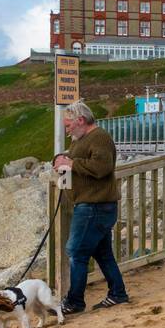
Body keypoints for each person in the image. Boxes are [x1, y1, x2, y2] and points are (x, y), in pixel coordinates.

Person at [53, 100, 129, 313]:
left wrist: (71, 164)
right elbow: (72, 160)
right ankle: (118, 293)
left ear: (80, 120)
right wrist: (60, 160)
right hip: (91, 205)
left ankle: (74, 302)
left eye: (68, 125)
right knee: (103, 254)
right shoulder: (81, 139)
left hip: (95, 206)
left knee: (76, 251)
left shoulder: (100, 137)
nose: (66, 129)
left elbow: (102, 167)